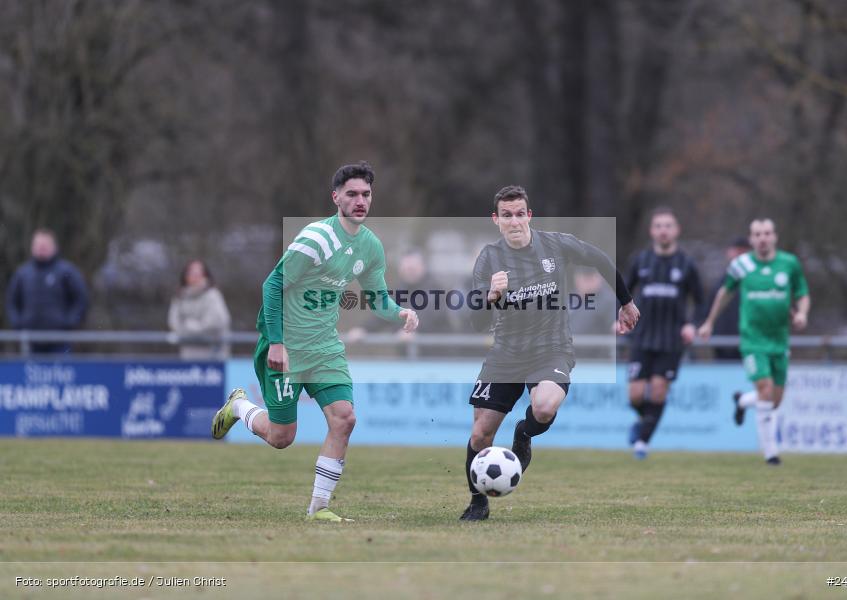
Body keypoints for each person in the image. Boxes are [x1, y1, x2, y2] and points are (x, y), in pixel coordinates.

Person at [211, 161, 419, 522]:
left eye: (366, 194)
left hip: (325, 349)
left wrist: (399, 312)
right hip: (287, 348)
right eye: (352, 194)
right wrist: (277, 343)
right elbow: (272, 285)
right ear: (335, 197)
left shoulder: (370, 246)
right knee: (281, 437)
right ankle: (239, 407)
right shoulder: (316, 238)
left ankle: (318, 508)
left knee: (345, 419)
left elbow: (377, 299)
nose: (360, 201)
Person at [460, 185, 639, 521]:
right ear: (496, 219)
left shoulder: (555, 244)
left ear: (529, 215)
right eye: (506, 215)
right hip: (506, 353)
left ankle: (523, 434)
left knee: (543, 407)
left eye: (519, 214)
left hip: (551, 349)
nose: (514, 221)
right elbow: (476, 322)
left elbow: (600, 258)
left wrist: (626, 302)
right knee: (481, 433)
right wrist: (490, 296)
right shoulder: (488, 258)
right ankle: (477, 502)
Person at [699, 218, 810, 466]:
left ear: (775, 237)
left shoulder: (789, 263)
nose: (762, 238)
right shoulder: (742, 264)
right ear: (751, 239)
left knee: (774, 400)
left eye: (767, 233)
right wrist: (709, 322)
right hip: (752, 339)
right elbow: (725, 292)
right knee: (765, 389)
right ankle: (771, 453)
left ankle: (741, 401)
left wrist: (802, 313)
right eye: (757, 234)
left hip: (779, 341)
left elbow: (802, 293)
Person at [624, 207, 704, 459]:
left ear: (676, 230)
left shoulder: (687, 264)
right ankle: (645, 423)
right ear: (652, 231)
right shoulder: (640, 261)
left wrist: (692, 324)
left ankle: (642, 442)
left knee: (659, 390)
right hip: (642, 336)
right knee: (635, 395)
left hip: (671, 340)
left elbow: (700, 301)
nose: (663, 231)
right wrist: (620, 316)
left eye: (668, 226)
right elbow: (623, 291)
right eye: (658, 226)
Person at [5, 229, 89, 354]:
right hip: (30, 341)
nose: (41, 248)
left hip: (60, 341)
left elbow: (81, 299)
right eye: (38, 245)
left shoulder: (67, 272)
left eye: (44, 245)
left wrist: (70, 322)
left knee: (61, 365)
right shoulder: (22, 274)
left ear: (54, 247)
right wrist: (18, 323)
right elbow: (11, 301)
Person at [167, 260, 231, 359]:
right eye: (191, 273)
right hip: (188, 353)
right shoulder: (179, 297)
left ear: (205, 275)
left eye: (198, 273)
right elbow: (174, 322)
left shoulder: (213, 295)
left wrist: (189, 327)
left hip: (213, 355)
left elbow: (215, 322)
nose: (195, 276)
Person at [705, 237, 751, 360]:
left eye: (743, 251)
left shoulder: (755, 282)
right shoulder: (719, 284)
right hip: (721, 346)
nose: (739, 255)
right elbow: (706, 311)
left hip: (750, 344)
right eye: (736, 251)